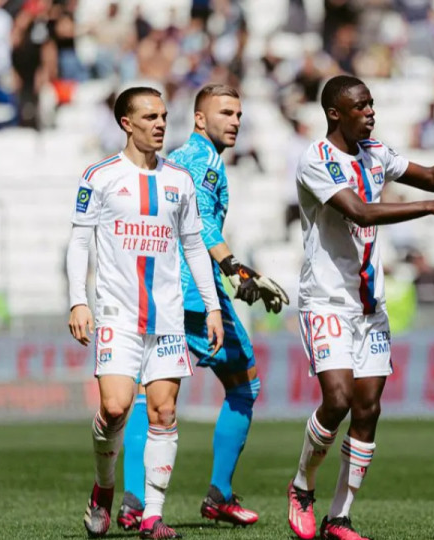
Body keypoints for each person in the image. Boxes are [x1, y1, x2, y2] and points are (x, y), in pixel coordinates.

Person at [286, 75, 434, 540]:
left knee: (368, 408)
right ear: (336, 113)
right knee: (338, 400)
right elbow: (360, 212)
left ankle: (340, 517)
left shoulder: (376, 153)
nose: (371, 112)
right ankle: (301, 486)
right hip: (328, 299)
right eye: (361, 106)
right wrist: (432, 208)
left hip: (371, 304)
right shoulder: (317, 159)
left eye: (372, 104)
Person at [116, 84, 288, 530]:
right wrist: (235, 269)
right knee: (244, 387)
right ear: (199, 119)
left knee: (147, 394)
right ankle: (218, 495)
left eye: (239, 113)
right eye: (225, 112)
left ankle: (133, 503)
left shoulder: (175, 159)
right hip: (196, 296)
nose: (235, 121)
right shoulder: (203, 162)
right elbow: (203, 223)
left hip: (163, 291)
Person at [67, 86, 225, 540]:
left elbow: (194, 244)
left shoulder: (179, 180)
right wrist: (79, 299)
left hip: (168, 316)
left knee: (164, 412)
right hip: (118, 313)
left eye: (163, 116)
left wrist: (211, 306)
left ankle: (153, 515)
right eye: (150, 117)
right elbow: (79, 242)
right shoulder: (99, 177)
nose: (160, 124)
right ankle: (104, 488)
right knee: (115, 408)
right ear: (126, 123)